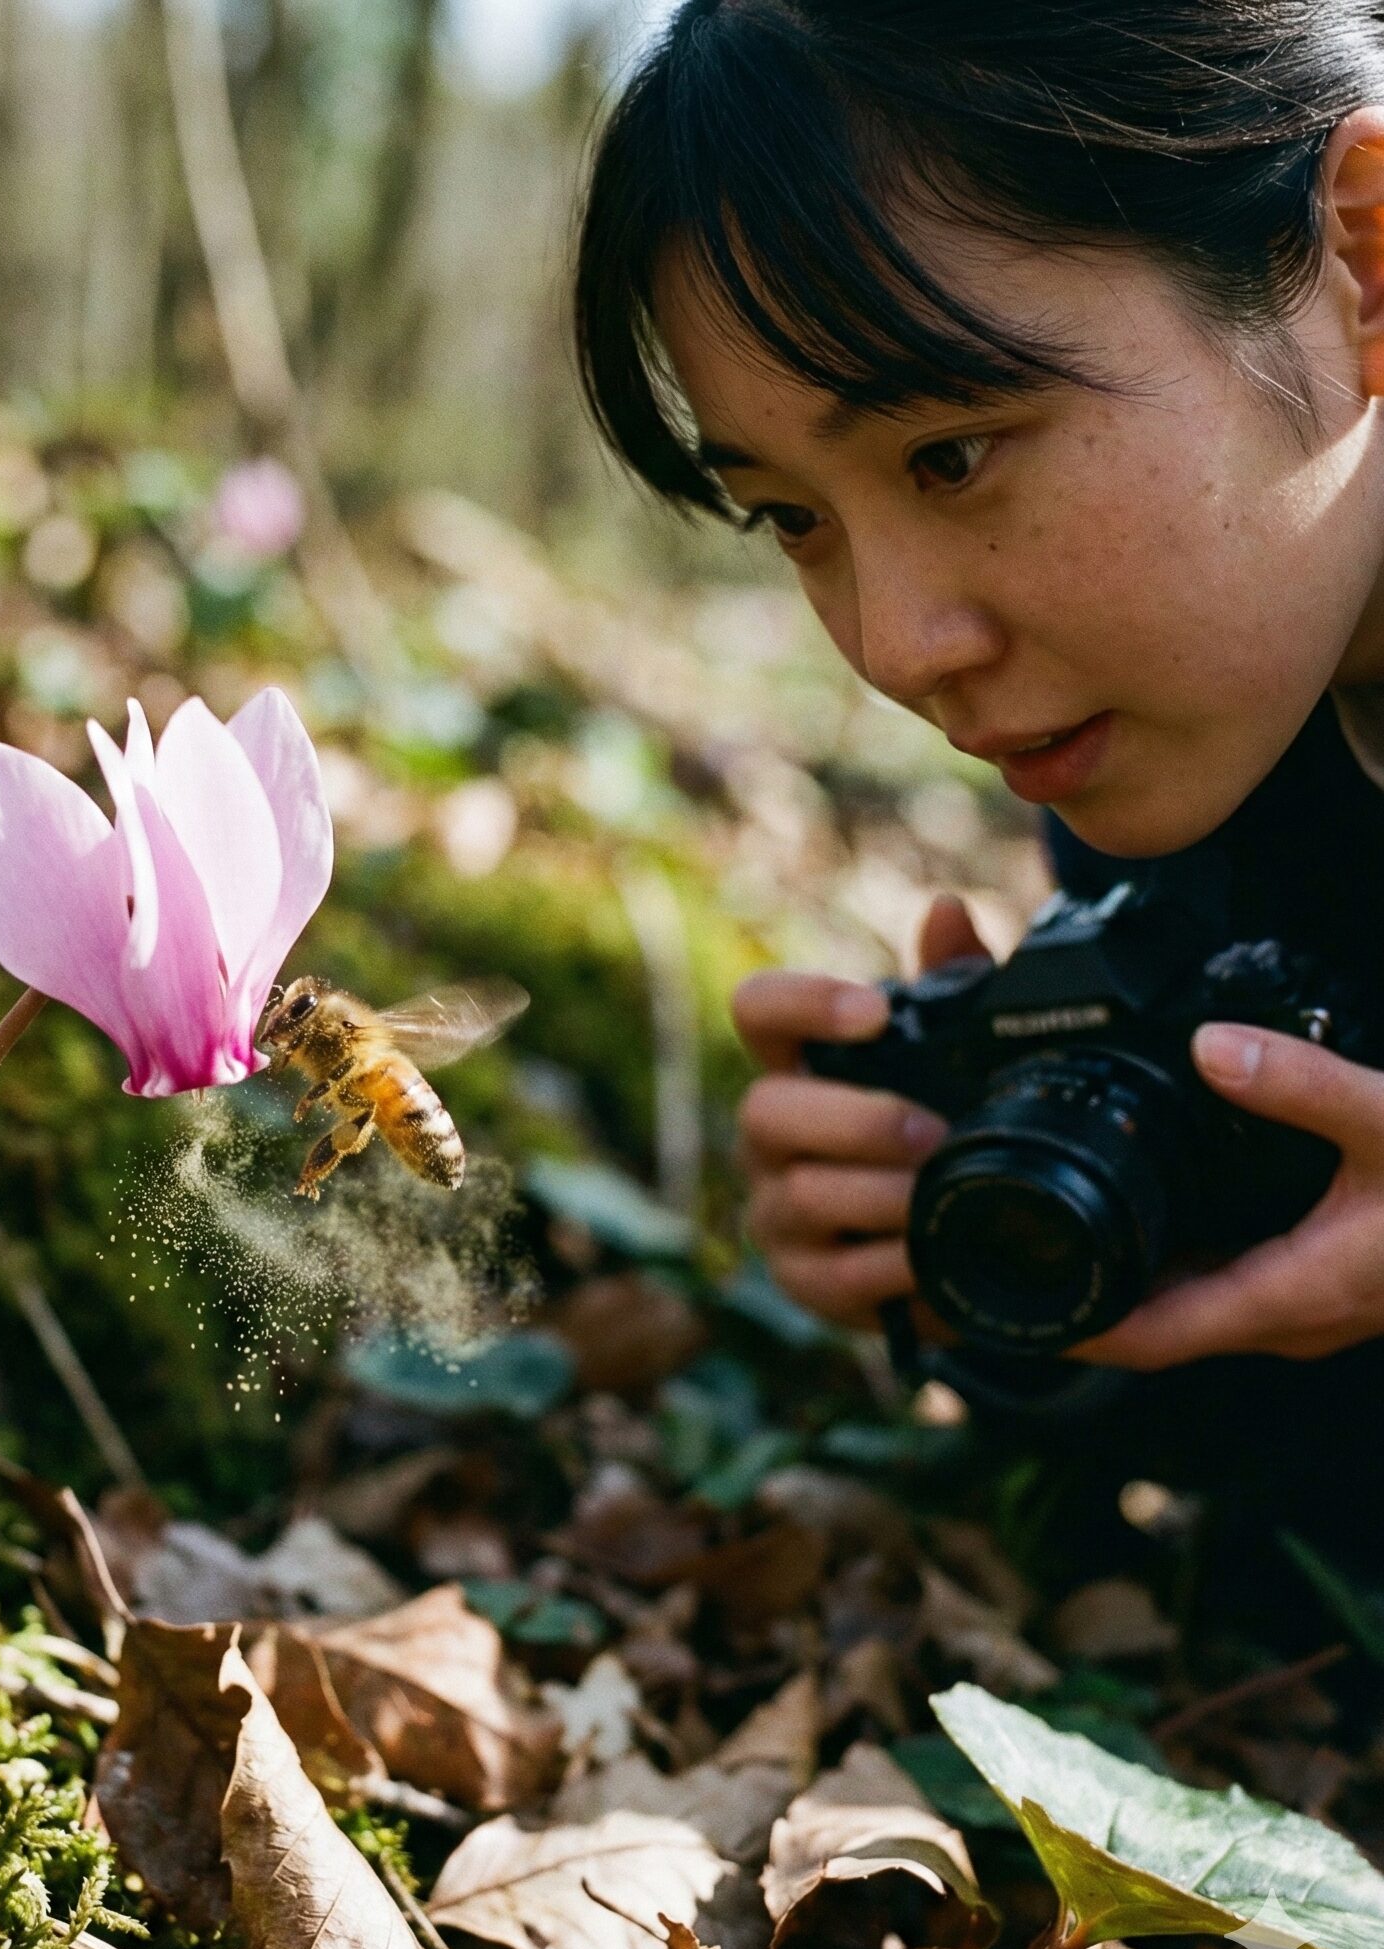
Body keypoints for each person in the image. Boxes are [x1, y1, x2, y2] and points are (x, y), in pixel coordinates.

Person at [572, 0, 1384, 1608]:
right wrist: (1029, 1250)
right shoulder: (1200, 748)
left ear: (1360, 255)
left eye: (951, 456)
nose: (897, 644)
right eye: (794, 519)